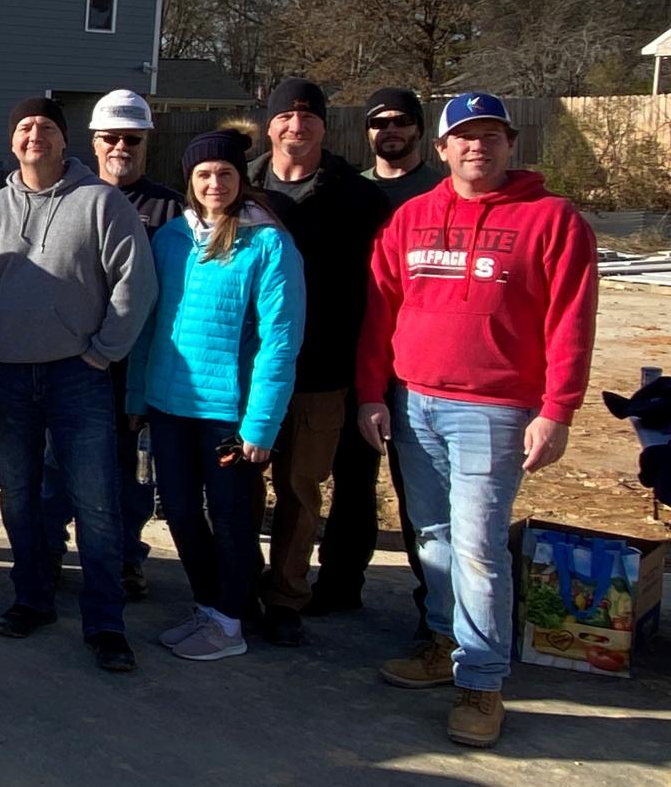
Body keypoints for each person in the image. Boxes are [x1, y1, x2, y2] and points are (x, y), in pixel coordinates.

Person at [358, 93, 597, 749]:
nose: (478, 147)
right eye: (464, 137)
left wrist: (558, 410)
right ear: (442, 150)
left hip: (492, 410)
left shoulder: (552, 221)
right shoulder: (411, 218)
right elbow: (381, 311)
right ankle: (442, 644)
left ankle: (482, 682)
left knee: (478, 547)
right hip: (413, 400)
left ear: (511, 144)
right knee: (431, 535)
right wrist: (372, 393)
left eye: (491, 135)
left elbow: (571, 322)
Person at [0, 96, 157, 673]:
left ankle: (106, 622)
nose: (34, 135)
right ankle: (32, 598)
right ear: (12, 141)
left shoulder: (102, 203)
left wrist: (101, 355)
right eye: (24, 127)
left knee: (96, 502)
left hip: (77, 376)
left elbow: (134, 287)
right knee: (19, 496)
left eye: (46, 127)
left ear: (67, 141)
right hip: (6, 377)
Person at [127, 130, 304, 662]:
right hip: (168, 403)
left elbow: (281, 339)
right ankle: (209, 607)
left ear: (241, 179)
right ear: (190, 182)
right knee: (179, 512)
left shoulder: (267, 242)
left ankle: (230, 622)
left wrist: (261, 424)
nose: (214, 183)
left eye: (225, 173)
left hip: (227, 411)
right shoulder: (170, 239)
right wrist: (137, 397)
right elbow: (148, 323)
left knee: (230, 518)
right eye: (203, 175)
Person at [246, 77, 389, 647]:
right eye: (285, 116)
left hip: (322, 371)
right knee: (240, 487)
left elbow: (379, 292)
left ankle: (284, 596)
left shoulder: (358, 198)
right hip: (249, 371)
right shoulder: (242, 185)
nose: (296, 127)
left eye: (308, 117)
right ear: (270, 123)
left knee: (301, 491)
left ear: (325, 126)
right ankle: (238, 583)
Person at [42, 89, 184, 600]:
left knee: (129, 475)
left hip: (133, 370)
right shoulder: (64, 197)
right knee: (53, 468)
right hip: (65, 363)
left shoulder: (170, 209)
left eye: (132, 138)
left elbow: (172, 300)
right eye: (111, 137)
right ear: (94, 141)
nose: (121, 146)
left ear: (147, 141)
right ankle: (50, 553)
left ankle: (125, 558)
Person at [318, 86, 448, 627]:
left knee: (422, 492)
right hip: (358, 354)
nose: (389, 130)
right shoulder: (352, 190)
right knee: (352, 480)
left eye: (400, 121)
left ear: (419, 129)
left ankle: (435, 604)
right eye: (378, 123)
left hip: (418, 364)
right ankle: (340, 583)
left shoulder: (441, 192)